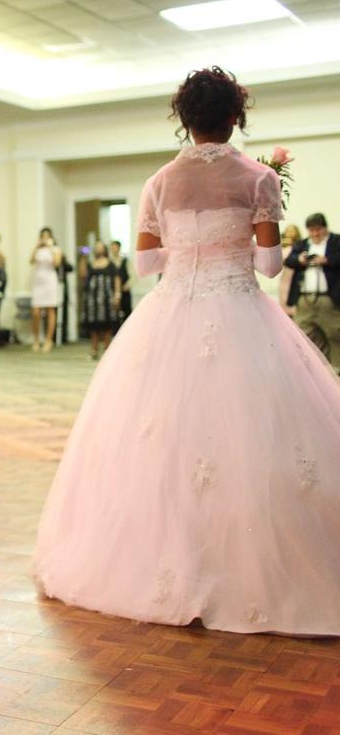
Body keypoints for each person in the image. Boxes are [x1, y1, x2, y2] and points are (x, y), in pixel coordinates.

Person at [34, 66, 340, 636]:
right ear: (234, 116)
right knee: (255, 436)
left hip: (171, 311)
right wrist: (237, 240)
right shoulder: (258, 178)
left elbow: (147, 263)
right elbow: (271, 266)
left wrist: (190, 249)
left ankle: (171, 558)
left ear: (185, 120)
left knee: (160, 440)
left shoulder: (159, 182)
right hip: (241, 311)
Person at [285, 213, 340, 372]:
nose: (315, 234)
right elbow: (289, 261)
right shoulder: (302, 245)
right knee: (306, 334)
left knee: (335, 333)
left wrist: (326, 260)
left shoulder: (336, 241)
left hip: (329, 298)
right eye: (312, 230)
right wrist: (300, 260)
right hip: (305, 299)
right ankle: (317, 370)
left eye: (318, 230)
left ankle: (337, 369)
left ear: (325, 228)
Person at [80, 241, 120, 360]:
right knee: (93, 325)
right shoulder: (91, 263)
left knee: (107, 324)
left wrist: (117, 295)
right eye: (96, 247)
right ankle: (94, 349)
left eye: (100, 247)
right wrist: (83, 259)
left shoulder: (110, 264)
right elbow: (83, 275)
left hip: (107, 298)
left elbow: (117, 279)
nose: (98, 249)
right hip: (92, 299)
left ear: (104, 249)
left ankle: (107, 350)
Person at [29, 228, 62, 352]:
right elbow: (31, 260)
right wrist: (36, 247)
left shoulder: (56, 249)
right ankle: (36, 340)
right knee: (36, 312)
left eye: (47, 236)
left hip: (50, 281)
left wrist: (50, 248)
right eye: (43, 236)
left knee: (50, 310)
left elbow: (57, 263)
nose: (45, 238)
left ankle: (48, 340)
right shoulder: (38, 249)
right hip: (38, 281)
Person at [278, 223, 301, 316]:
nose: (290, 233)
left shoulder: (299, 246)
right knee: (284, 301)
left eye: (292, 230)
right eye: (288, 230)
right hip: (285, 276)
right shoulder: (281, 246)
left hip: (295, 275)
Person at [109, 240, 132, 322]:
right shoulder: (109, 262)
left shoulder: (125, 261)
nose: (114, 249)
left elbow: (132, 275)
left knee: (127, 313)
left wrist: (127, 285)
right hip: (113, 292)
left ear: (119, 248)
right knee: (114, 315)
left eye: (115, 247)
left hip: (125, 291)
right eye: (112, 248)